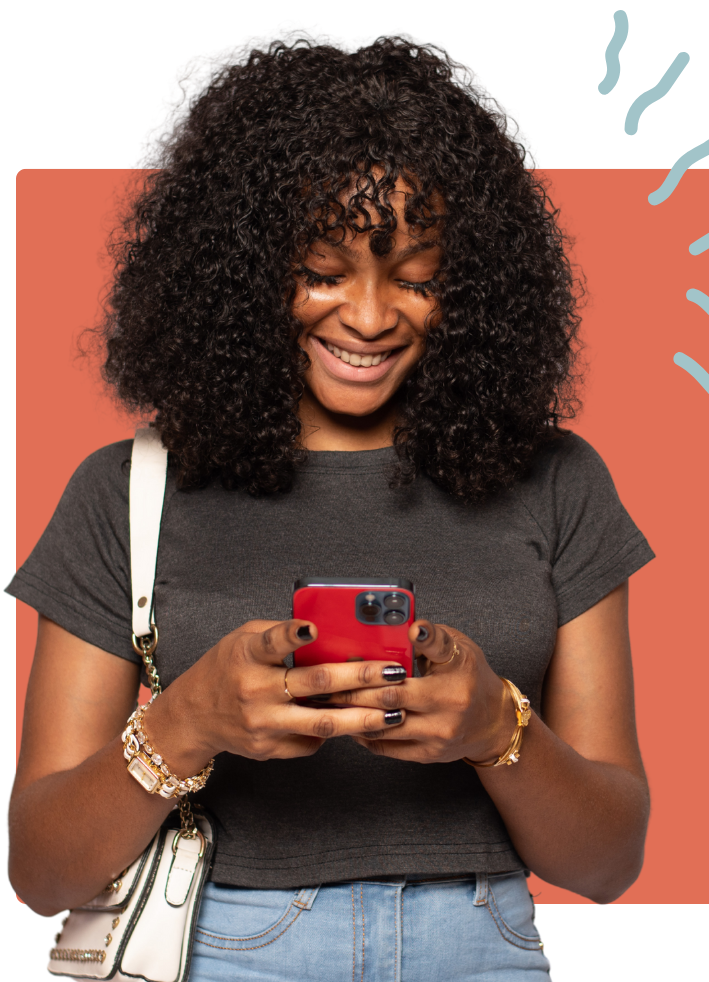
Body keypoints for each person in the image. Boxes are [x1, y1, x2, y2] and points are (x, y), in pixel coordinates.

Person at [7, 26, 655, 981]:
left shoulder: (557, 481)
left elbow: (607, 864)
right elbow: (40, 871)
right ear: (240, 268)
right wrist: (187, 723)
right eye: (321, 272)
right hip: (220, 949)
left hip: (484, 950)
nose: (370, 316)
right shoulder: (127, 491)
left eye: (417, 276)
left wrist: (498, 731)